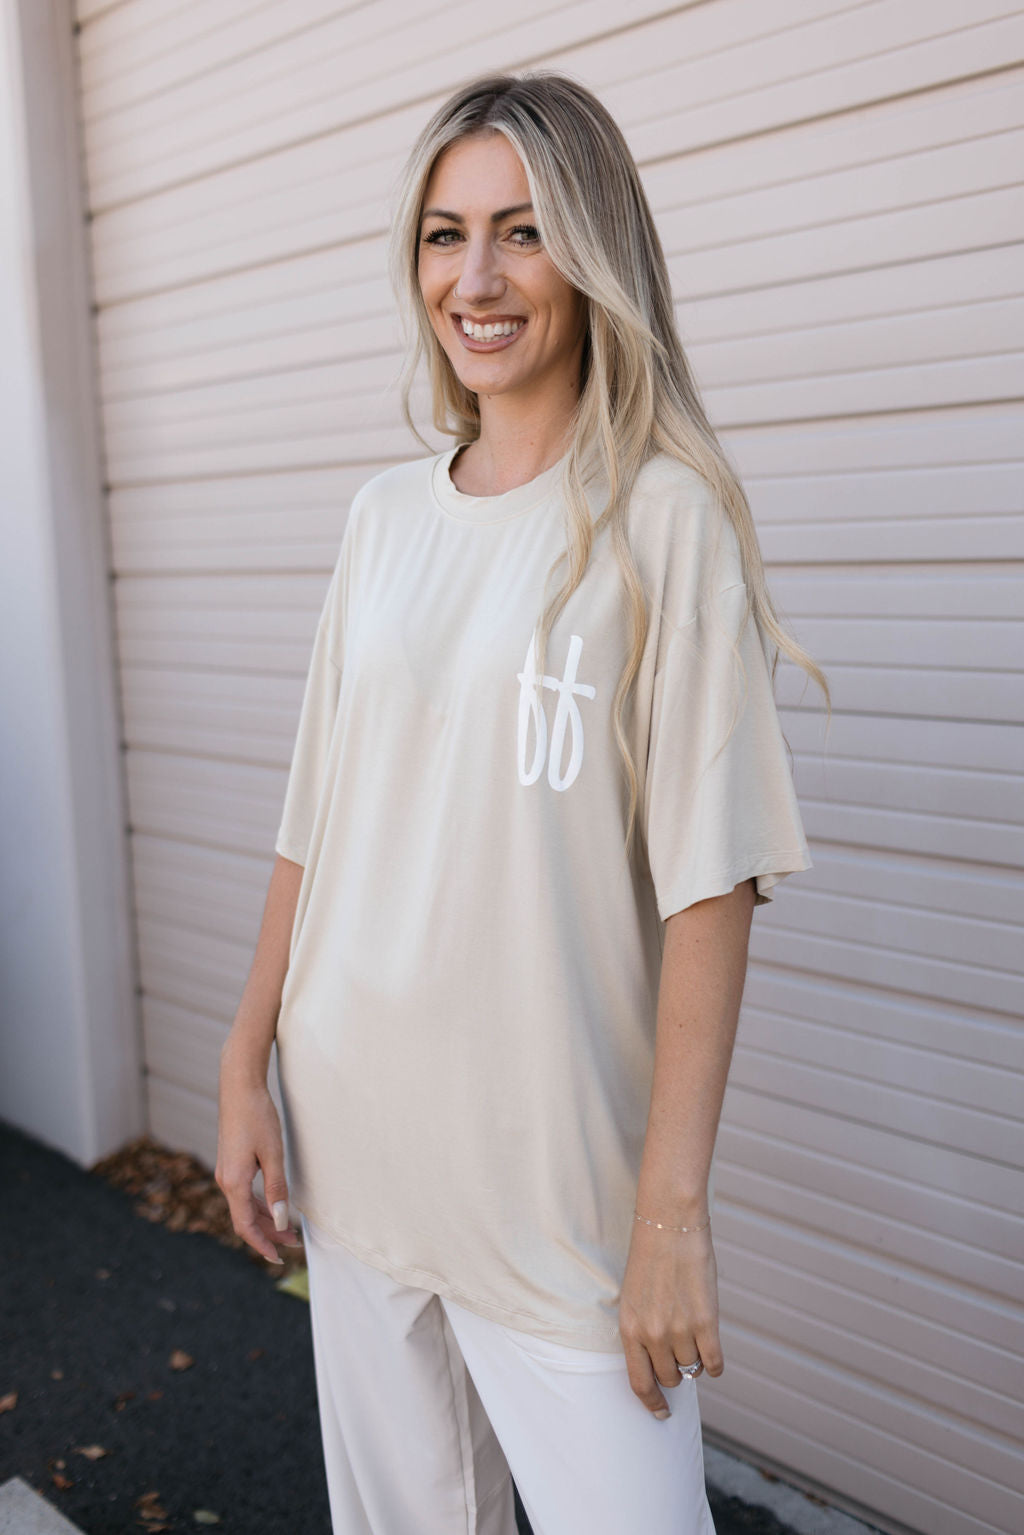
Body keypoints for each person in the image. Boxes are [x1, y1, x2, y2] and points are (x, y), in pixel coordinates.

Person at [216, 70, 827, 1535]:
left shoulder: (665, 522)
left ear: (594, 252)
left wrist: (670, 1215)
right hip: (360, 1151)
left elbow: (712, 883)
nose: (474, 280)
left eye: (522, 232)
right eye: (443, 234)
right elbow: (318, 814)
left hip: (558, 1201)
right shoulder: (382, 521)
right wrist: (247, 1061)